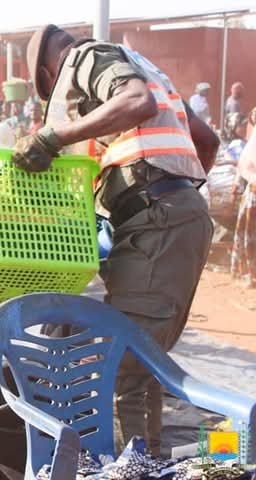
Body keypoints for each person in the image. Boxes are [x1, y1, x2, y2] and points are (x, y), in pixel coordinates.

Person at [23, 24, 219, 455]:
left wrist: (53, 137)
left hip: (159, 221)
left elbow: (136, 101)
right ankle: (145, 459)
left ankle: (128, 466)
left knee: (118, 370)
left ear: (50, 71)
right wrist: (177, 196)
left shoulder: (83, 57)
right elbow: (207, 139)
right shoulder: (146, 69)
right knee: (143, 364)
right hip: (176, 220)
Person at [230, 114, 256, 288]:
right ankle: (248, 273)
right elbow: (245, 165)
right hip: (253, 194)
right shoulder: (252, 143)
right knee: (249, 235)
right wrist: (236, 188)